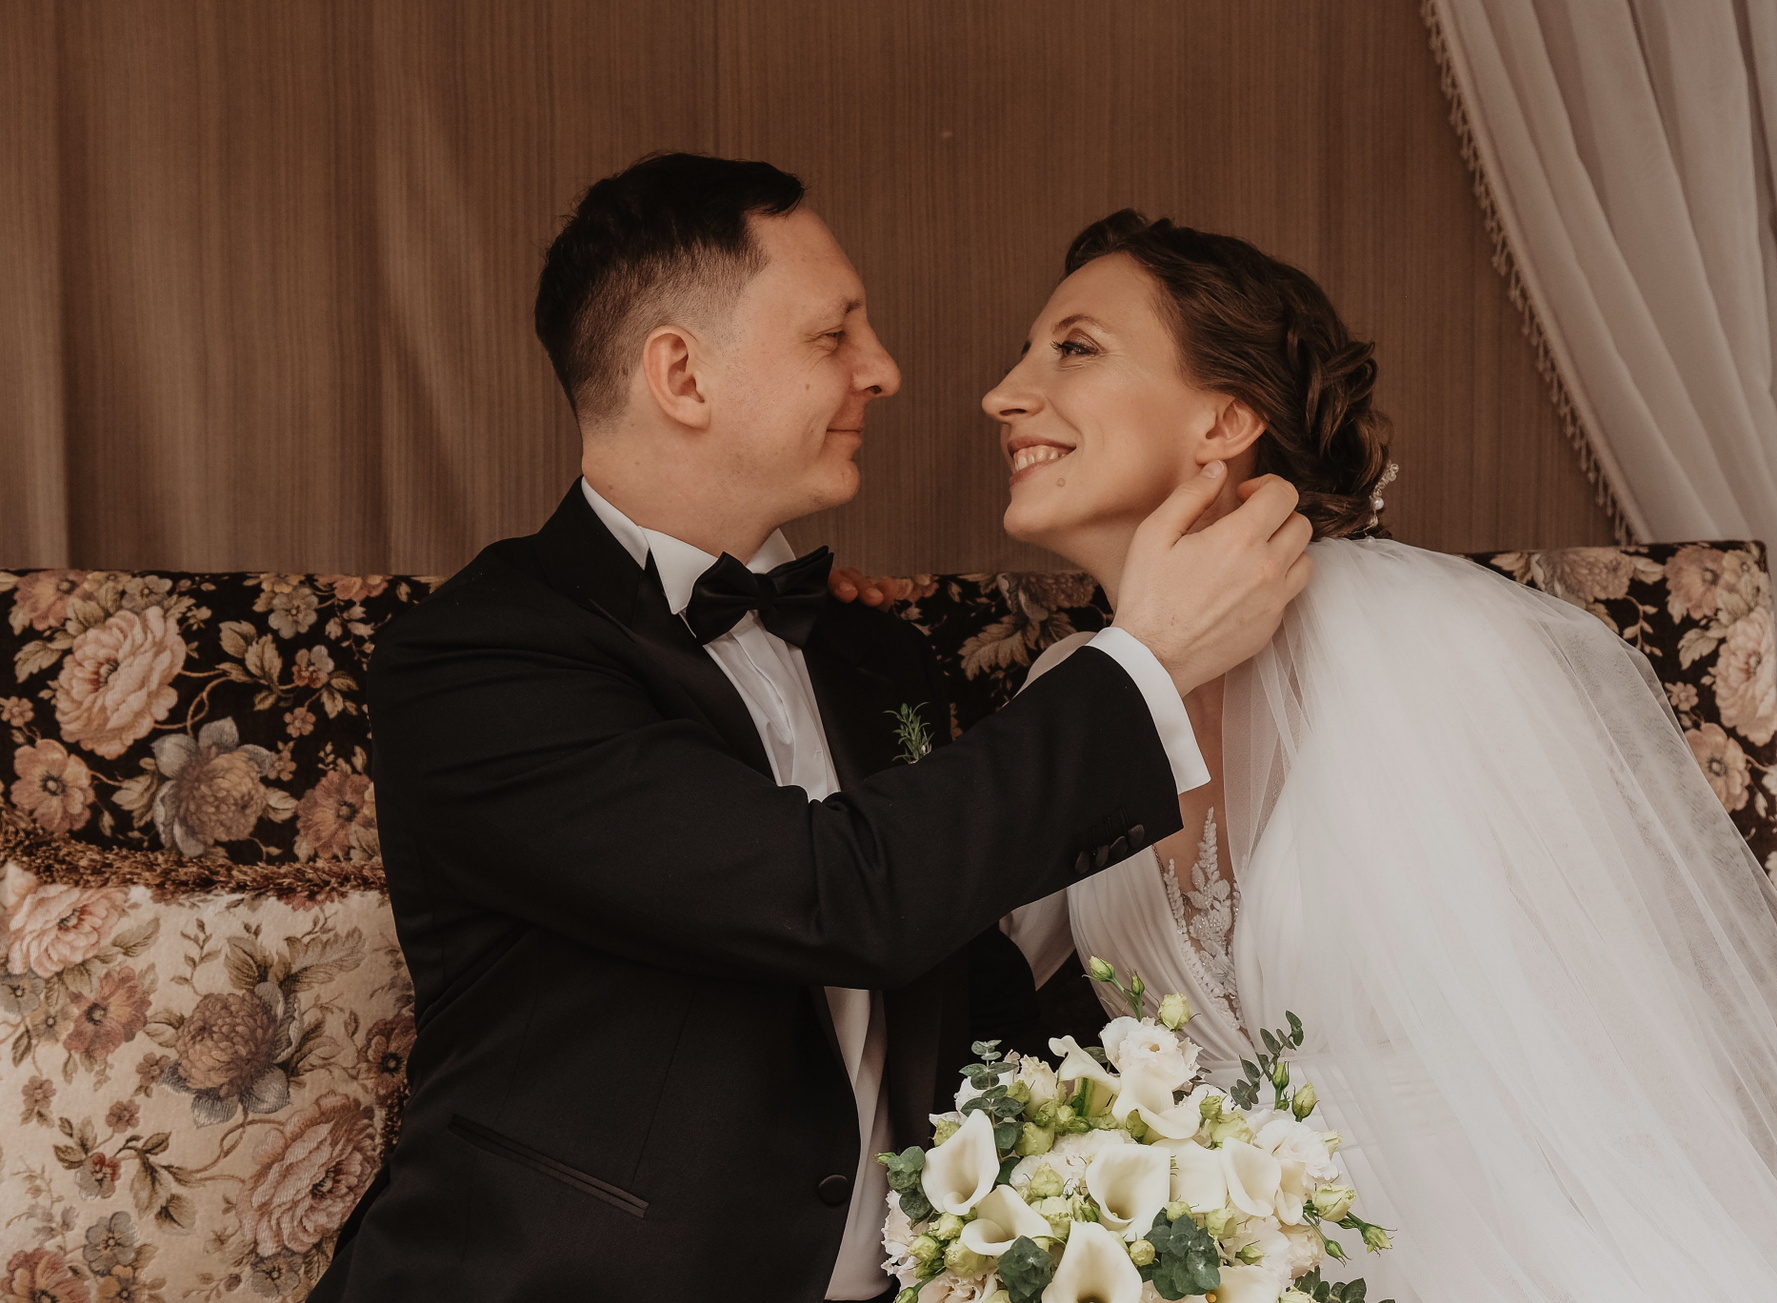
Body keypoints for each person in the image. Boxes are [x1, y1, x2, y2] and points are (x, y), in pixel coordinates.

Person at [307, 159, 1314, 1302]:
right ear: (682, 375)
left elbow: (967, 977)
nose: (883, 370)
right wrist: (1145, 663)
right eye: (834, 335)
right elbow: (836, 895)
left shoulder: (875, 655)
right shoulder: (481, 660)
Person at [983, 210, 1777, 1301]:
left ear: (1225, 420)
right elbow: (951, 954)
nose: (1002, 394)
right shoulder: (1074, 694)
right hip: (1202, 1254)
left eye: (1074, 347)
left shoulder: (1429, 643)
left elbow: (1618, 1029)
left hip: (1490, 1234)